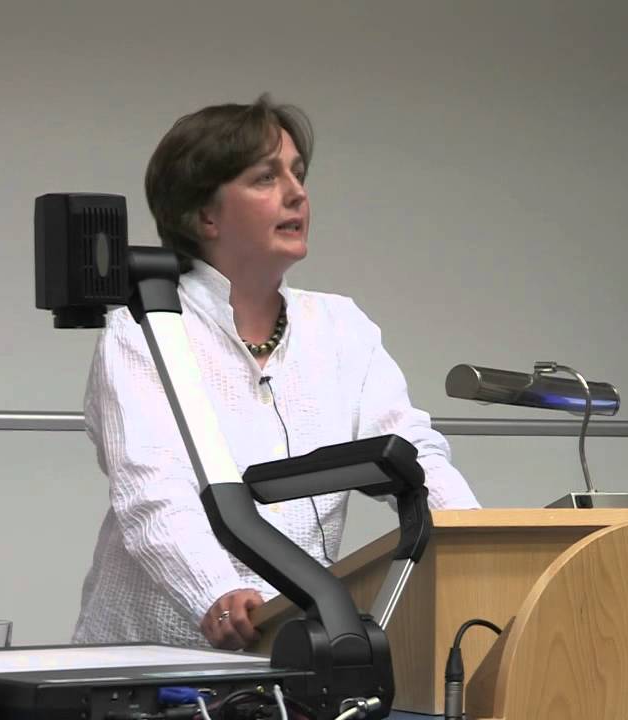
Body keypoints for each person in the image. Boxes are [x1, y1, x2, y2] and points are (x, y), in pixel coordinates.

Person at [72, 95, 480, 651]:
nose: (297, 193)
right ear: (205, 216)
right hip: (152, 662)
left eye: (298, 173)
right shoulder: (143, 329)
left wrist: (476, 546)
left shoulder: (341, 327)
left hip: (295, 656)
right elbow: (153, 491)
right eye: (266, 177)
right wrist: (215, 591)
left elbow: (416, 457)